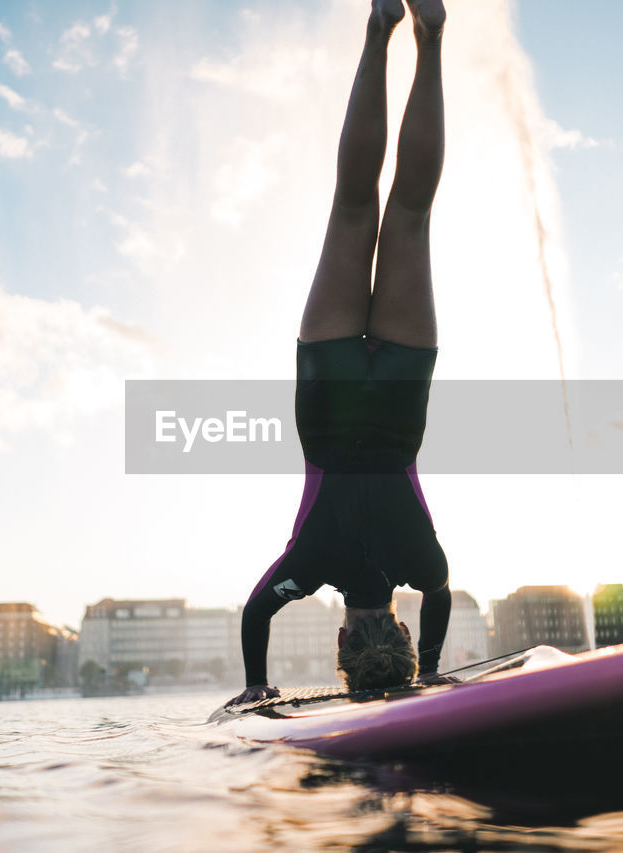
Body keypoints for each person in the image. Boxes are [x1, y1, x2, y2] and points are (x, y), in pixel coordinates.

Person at [228, 0, 456, 707]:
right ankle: (379, 27)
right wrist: (257, 686)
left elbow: (441, 595)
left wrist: (433, 667)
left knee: (412, 212)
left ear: (400, 629)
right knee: (355, 204)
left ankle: (429, 38)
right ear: (342, 647)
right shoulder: (310, 565)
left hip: (398, 390)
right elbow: (254, 613)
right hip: (328, 390)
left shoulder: (423, 563)